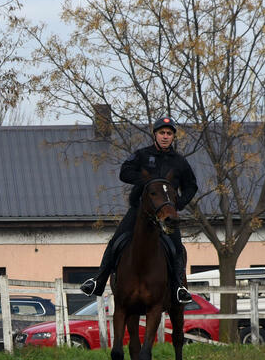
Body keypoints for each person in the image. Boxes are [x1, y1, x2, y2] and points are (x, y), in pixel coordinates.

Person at [79, 116, 198, 304]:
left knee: (176, 248)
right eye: (162, 133)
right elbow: (124, 172)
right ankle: (98, 281)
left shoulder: (180, 162)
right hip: (140, 211)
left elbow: (191, 186)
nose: (165, 136)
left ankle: (178, 288)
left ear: (172, 137)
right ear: (155, 134)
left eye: (169, 133)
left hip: (166, 214)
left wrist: (179, 204)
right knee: (116, 241)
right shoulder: (142, 155)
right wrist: (146, 181)